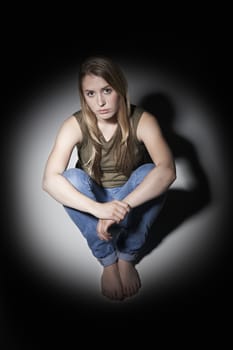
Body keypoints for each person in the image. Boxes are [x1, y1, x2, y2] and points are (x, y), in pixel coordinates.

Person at [42, 56, 176, 301]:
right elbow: (49, 180)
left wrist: (122, 207)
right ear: (83, 96)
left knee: (151, 173)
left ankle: (127, 256)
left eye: (106, 90)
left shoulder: (143, 121)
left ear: (120, 89)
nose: (100, 102)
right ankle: (107, 260)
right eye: (90, 94)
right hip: (96, 196)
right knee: (70, 177)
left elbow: (167, 171)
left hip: (130, 195)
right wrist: (100, 209)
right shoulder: (74, 124)